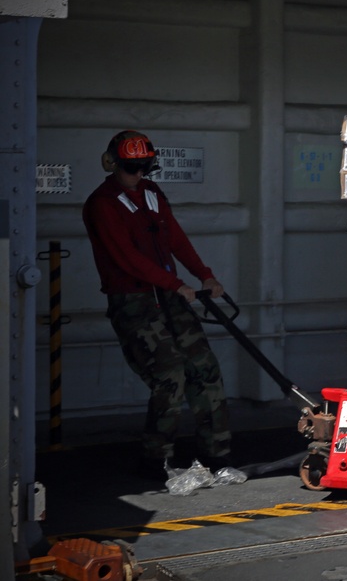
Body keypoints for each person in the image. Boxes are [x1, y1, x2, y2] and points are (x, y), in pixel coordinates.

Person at [83, 130, 233, 480]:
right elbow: (126, 257)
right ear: (113, 165)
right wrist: (177, 283)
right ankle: (156, 460)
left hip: (169, 294)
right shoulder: (102, 203)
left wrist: (204, 276)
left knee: (204, 366)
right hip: (134, 300)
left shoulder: (151, 194)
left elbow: (175, 239)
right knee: (170, 374)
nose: (139, 176)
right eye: (132, 169)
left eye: (144, 169)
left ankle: (217, 454)